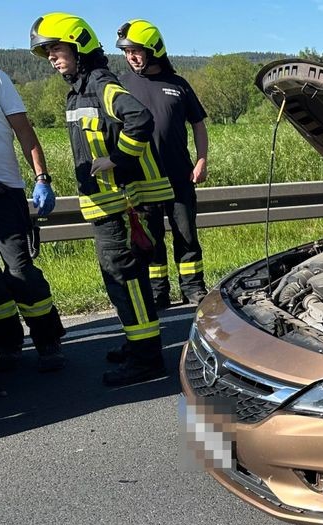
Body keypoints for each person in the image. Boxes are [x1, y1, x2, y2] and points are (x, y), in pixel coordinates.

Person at [30, 13, 174, 386]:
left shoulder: (100, 85)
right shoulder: (79, 89)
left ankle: (146, 358)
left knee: (125, 279)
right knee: (124, 278)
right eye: (47, 51)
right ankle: (136, 341)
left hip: (121, 205)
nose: (51, 56)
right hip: (108, 204)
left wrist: (119, 160)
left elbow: (139, 119)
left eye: (56, 48)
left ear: (79, 46)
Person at [0, 57, 66, 372]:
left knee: (20, 270)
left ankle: (47, 340)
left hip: (1, 192)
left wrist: (42, 178)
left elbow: (24, 132)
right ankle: (8, 344)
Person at [116, 19, 209, 310]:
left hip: (180, 176)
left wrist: (202, 160)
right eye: (127, 51)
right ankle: (158, 292)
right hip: (143, 180)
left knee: (186, 235)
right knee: (151, 240)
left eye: (136, 50)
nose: (131, 56)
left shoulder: (178, 85)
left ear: (154, 50)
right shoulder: (121, 85)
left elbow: (199, 125)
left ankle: (193, 288)